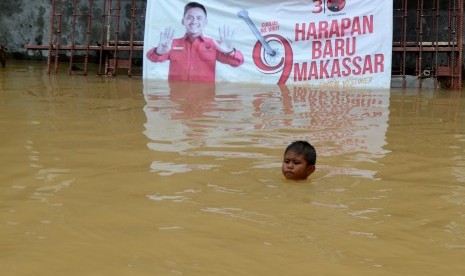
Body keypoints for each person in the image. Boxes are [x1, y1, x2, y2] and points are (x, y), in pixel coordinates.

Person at [146, 2, 244, 82]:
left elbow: (237, 62)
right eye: (189, 17)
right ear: (183, 21)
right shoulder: (171, 44)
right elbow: (152, 58)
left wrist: (230, 52)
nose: (194, 21)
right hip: (177, 101)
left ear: (205, 22)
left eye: (199, 18)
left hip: (205, 102)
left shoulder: (214, 45)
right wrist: (159, 52)